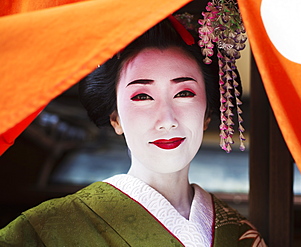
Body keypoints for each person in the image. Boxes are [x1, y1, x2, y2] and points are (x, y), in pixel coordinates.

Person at [0, 18, 265, 246]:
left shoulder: (238, 234)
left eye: (184, 93)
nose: (167, 120)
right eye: (142, 97)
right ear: (115, 117)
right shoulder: (49, 229)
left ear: (207, 113)